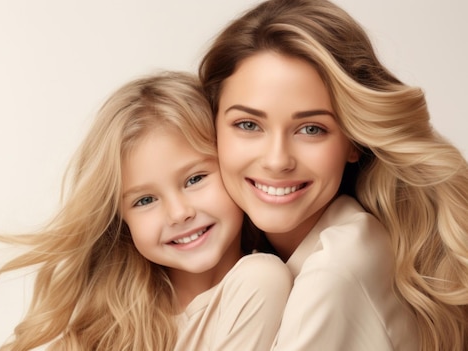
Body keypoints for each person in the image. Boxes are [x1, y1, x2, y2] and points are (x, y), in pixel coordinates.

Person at [198, 0, 468, 350]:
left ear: (352, 141)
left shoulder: (332, 274)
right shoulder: (342, 245)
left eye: (311, 129)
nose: (277, 160)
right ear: (211, 128)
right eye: (248, 125)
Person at [0, 71, 292, 350]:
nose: (179, 213)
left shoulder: (259, 280)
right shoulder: (112, 322)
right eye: (144, 200)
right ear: (120, 221)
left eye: (195, 179)